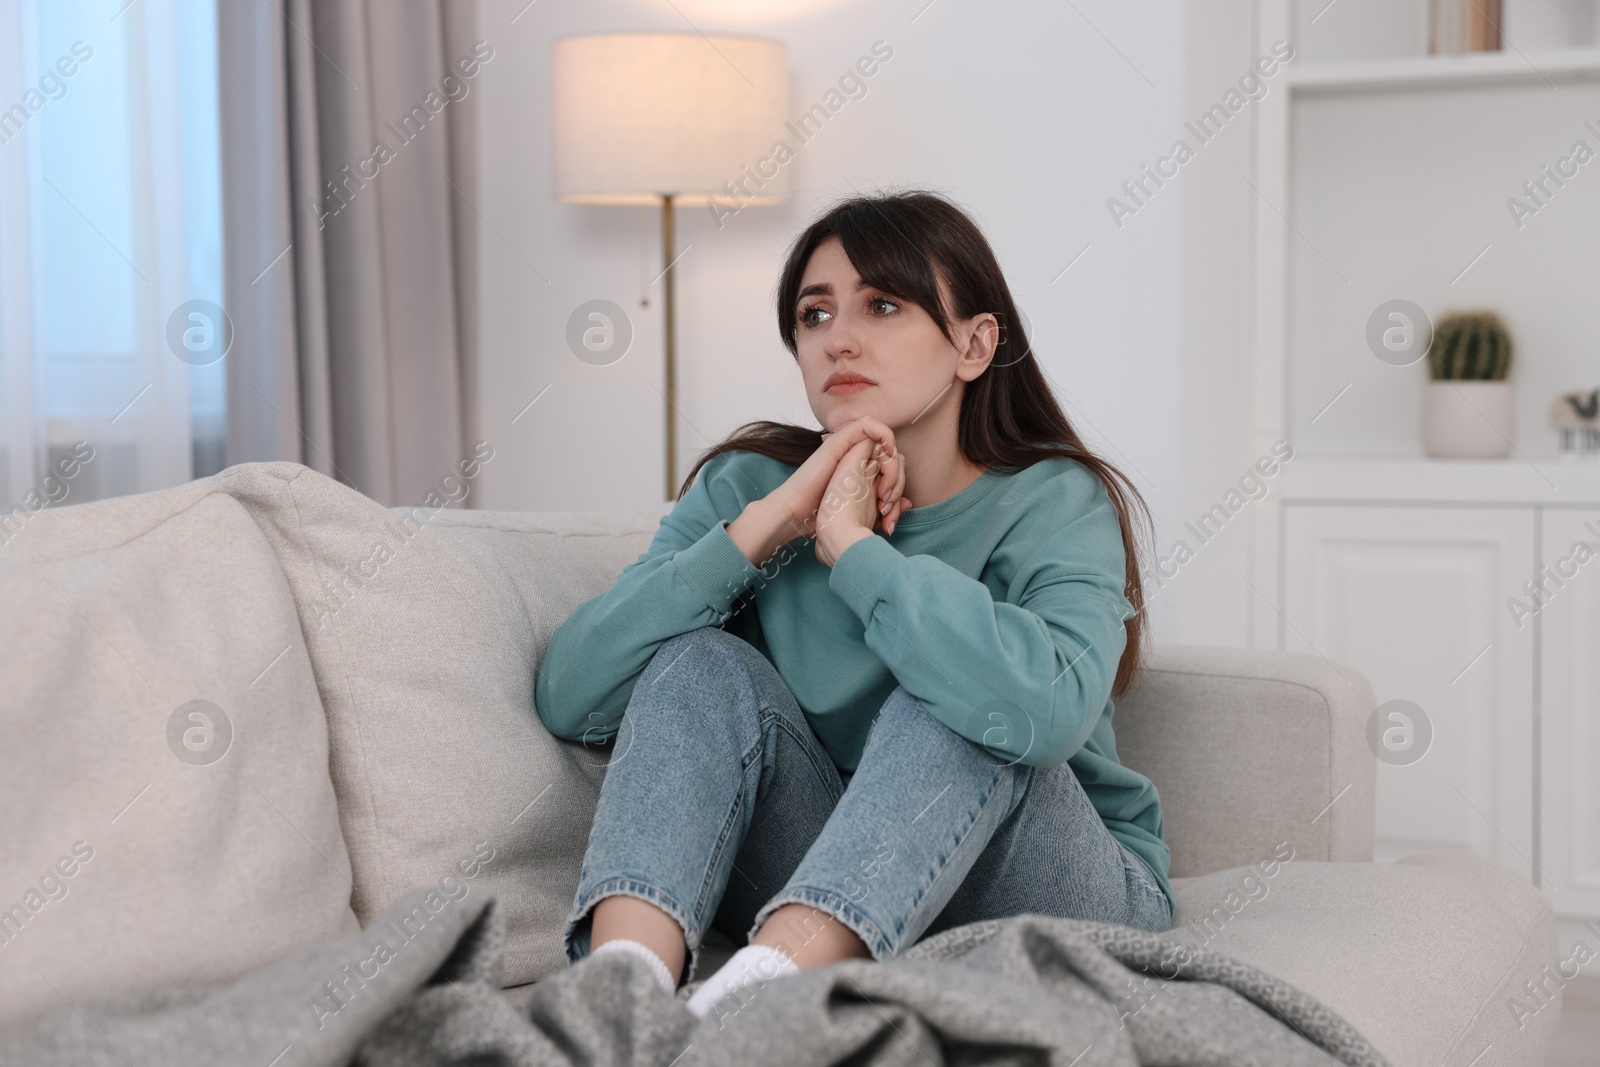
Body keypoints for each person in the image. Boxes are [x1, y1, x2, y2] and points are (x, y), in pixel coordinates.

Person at [534, 189, 1172, 1024]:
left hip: (1048, 886)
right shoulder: (752, 486)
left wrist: (854, 548)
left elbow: (1041, 715)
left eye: (883, 304)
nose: (839, 336)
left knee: (955, 693)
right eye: (813, 313)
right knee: (699, 661)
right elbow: (573, 695)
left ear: (975, 345)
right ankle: (621, 996)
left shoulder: (1055, 497)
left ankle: (755, 1001)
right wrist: (767, 529)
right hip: (825, 872)